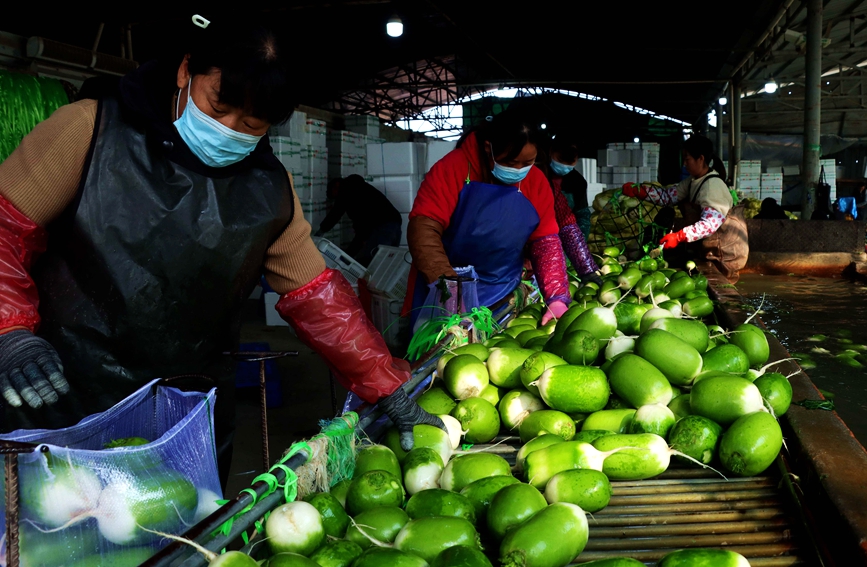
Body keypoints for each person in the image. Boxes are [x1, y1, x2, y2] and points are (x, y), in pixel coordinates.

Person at [0, 17, 440, 486]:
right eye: (219, 106)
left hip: (186, 410)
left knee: (179, 542)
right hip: (59, 390)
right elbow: (5, 231)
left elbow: (318, 298)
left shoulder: (270, 189)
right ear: (186, 70)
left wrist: (385, 383)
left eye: (251, 124)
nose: (228, 129)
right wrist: (10, 331)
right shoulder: (89, 131)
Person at [403, 109, 572, 328]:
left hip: (502, 290)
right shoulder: (453, 168)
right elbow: (423, 228)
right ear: (488, 148)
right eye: (511, 163)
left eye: (528, 162)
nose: (519, 170)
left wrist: (556, 296)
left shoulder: (536, 181)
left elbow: (545, 241)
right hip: (445, 283)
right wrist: (449, 289)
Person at [622, 134, 747, 283]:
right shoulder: (693, 181)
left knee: (723, 286)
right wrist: (641, 192)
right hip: (709, 249)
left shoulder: (712, 186)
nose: (684, 164)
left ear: (700, 159)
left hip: (724, 254)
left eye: (687, 159)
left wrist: (679, 236)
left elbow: (709, 224)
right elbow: (669, 197)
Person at [540, 133, 601, 284]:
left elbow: (570, 222)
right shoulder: (537, 176)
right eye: (561, 160)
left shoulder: (577, 182)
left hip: (554, 246)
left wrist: (582, 263)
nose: (564, 166)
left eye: (570, 162)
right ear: (550, 153)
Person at [315, 174, 402, 266]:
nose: (337, 199)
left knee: (372, 263)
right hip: (395, 224)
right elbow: (364, 223)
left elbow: (335, 214)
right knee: (387, 264)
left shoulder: (346, 190)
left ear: (336, 186)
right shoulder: (360, 189)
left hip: (383, 227)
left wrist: (320, 232)